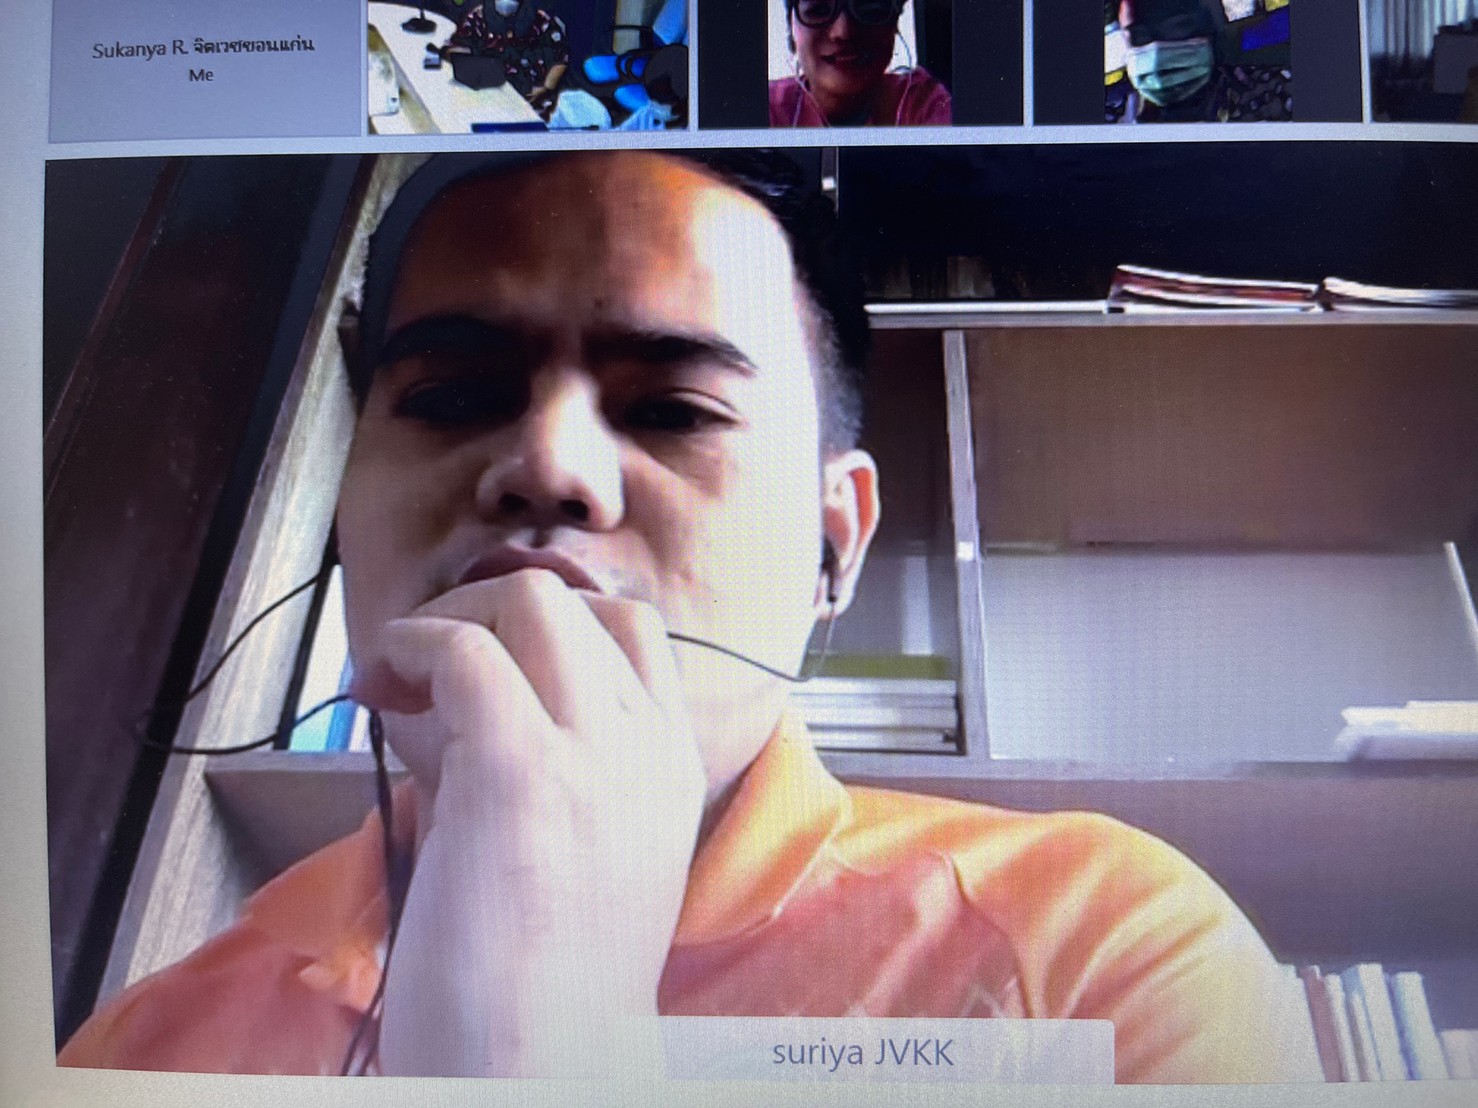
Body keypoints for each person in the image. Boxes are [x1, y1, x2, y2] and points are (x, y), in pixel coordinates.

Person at [59, 150, 1318, 1082]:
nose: (545, 466)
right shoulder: (140, 1049)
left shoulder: (1100, 964)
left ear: (835, 545)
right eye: (448, 396)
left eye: (670, 410)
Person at [770, 0, 952, 127]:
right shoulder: (766, 110)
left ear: (894, 23)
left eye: (869, 9)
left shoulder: (925, 104)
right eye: (818, 10)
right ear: (791, 27)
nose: (843, 32)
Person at [1109, 0, 1292, 123]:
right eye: (1139, 35)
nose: (1157, 51)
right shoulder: (1113, 111)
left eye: (1177, 28)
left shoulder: (1274, 98)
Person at [441, 0, 570, 120]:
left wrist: (546, 87)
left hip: (532, 105)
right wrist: (473, 64)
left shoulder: (541, 20)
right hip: (487, 99)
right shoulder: (478, 16)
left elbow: (561, 56)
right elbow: (453, 49)